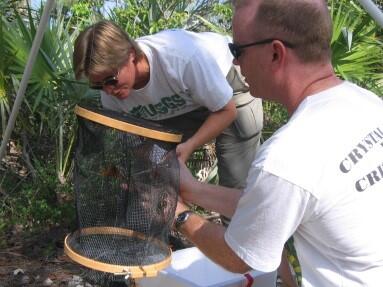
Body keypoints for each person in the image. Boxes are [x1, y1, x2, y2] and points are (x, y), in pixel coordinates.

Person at [174, 0, 383, 286]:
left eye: (237, 50)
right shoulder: (366, 103)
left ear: (275, 53)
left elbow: (238, 257)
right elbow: (271, 204)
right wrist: (192, 189)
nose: (235, 62)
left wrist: (179, 215)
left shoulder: (287, 156)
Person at [73, 20, 262, 195]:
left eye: (111, 80)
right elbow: (138, 142)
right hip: (183, 104)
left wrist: (189, 146)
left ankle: (238, 229)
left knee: (238, 183)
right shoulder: (111, 96)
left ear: (130, 54)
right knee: (153, 168)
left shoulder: (180, 58)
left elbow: (226, 111)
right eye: (97, 85)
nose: (107, 90)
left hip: (227, 87)